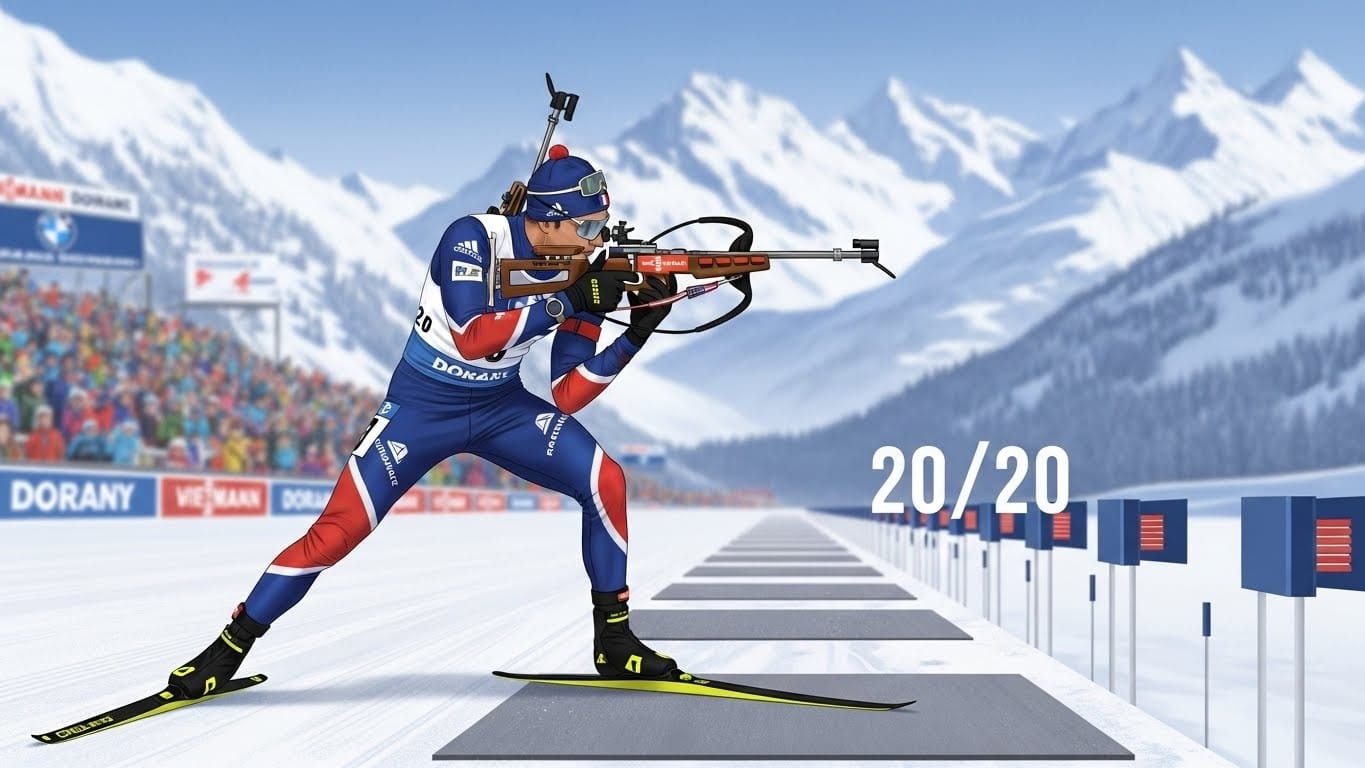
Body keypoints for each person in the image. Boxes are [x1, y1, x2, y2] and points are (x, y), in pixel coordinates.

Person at [166, 147, 679, 699]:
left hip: (500, 407)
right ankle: (229, 646)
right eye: (588, 225)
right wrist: (566, 300)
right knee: (335, 534)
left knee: (606, 480)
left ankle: (615, 640)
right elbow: (472, 337)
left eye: (603, 223)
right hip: (421, 408)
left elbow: (569, 391)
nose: (598, 237)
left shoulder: (583, 268)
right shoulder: (473, 238)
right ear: (549, 219)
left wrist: (637, 331)